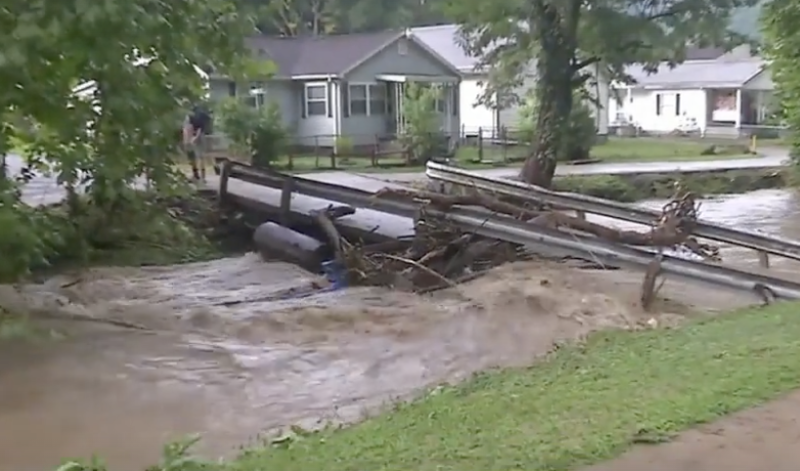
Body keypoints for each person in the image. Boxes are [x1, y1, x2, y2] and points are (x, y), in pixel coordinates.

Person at [183, 104, 212, 182]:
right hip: (200, 135)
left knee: (194, 157)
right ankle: (202, 177)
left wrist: (191, 138)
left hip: (193, 136)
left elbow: (189, 128)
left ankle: (197, 175)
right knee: (200, 157)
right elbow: (201, 126)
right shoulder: (201, 114)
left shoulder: (191, 115)